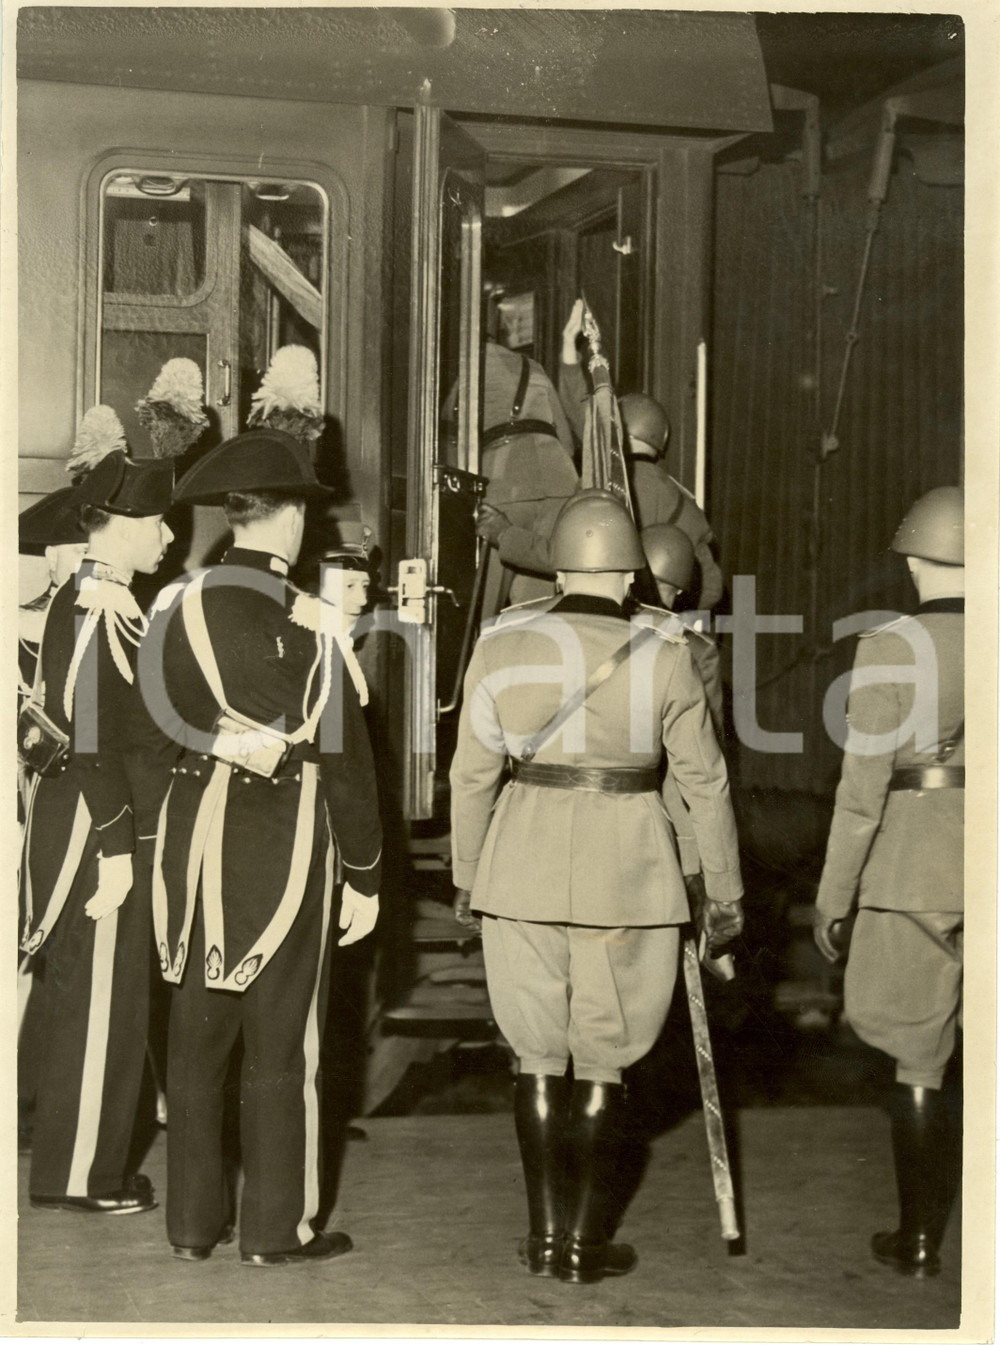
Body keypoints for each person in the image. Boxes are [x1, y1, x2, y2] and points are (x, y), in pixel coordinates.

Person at [449, 489, 743, 1284]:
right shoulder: (665, 652)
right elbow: (705, 784)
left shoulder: (501, 645)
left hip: (520, 867)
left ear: (560, 564)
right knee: (605, 1059)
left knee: (536, 1054)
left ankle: (543, 1237)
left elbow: (471, 775)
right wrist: (724, 893)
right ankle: (584, 1244)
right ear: (631, 572)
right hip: (631, 874)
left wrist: (468, 877)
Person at [139, 427, 383, 1268]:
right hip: (282, 846)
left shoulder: (175, 606)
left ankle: (192, 1225)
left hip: (189, 845)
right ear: (286, 522)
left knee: (196, 1039)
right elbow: (345, 761)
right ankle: (278, 1229)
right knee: (283, 1043)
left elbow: (149, 724)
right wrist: (366, 872)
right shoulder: (311, 629)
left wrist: (214, 740)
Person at [19, 413, 175, 1216]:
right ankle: (82, 1174)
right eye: (156, 522)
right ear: (117, 528)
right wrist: (119, 852)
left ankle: (80, 1161)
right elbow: (90, 742)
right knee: (103, 1005)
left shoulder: (94, 599)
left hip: (89, 824)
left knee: (90, 998)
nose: (170, 536)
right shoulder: (103, 610)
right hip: (99, 833)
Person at [813, 486, 964, 1279]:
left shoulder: (890, 645)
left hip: (913, 867)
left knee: (918, 1057)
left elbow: (861, 790)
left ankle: (916, 1239)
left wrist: (834, 895)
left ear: (911, 561)